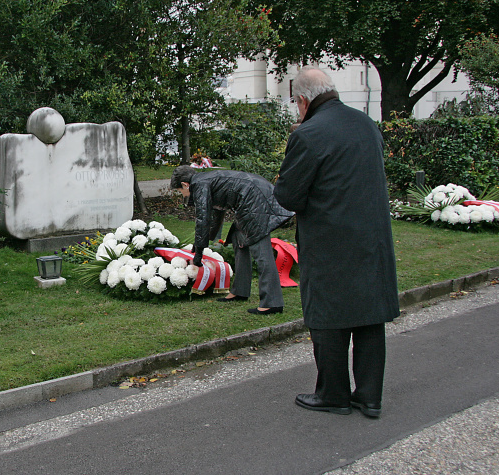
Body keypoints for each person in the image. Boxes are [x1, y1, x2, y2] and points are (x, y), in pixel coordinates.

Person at [273, 66, 400, 417]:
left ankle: (334, 394)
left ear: (302, 100)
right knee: (369, 315)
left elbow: (289, 196)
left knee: (328, 315)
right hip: (372, 238)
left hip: (330, 240)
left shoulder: (308, 133)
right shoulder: (366, 123)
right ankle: (370, 397)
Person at [170, 165, 293, 314]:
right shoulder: (204, 180)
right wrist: (199, 246)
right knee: (238, 239)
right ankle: (240, 290)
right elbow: (216, 215)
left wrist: (198, 254)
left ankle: (272, 303)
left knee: (261, 250)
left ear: (185, 184)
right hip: (252, 197)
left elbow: (203, 219)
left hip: (254, 200)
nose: (183, 195)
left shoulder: (199, 185)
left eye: (180, 191)